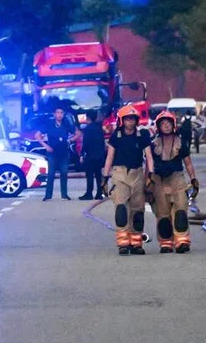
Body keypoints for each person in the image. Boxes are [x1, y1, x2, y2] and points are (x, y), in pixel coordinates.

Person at [102, 105, 154, 255]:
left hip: (137, 174)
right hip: (120, 174)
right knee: (121, 209)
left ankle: (136, 243)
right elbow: (110, 157)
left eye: (132, 119)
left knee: (138, 211)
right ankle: (123, 243)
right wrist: (105, 178)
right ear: (122, 121)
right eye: (127, 119)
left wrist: (150, 175)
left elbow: (149, 156)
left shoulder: (142, 136)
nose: (130, 122)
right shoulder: (116, 137)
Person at [149, 111, 198, 253]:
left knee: (181, 210)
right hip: (158, 179)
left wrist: (193, 179)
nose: (166, 126)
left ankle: (182, 241)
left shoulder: (180, 143)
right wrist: (148, 183)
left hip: (177, 178)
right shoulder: (153, 144)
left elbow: (188, 163)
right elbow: (149, 165)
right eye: (163, 123)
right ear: (158, 126)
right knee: (162, 214)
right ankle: (166, 242)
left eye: (169, 123)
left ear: (174, 125)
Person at [41, 107, 80, 201]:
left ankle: (64, 194)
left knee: (64, 173)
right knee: (51, 174)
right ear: (54, 114)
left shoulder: (67, 124)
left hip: (64, 152)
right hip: (52, 153)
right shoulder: (49, 124)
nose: (59, 115)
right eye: (57, 112)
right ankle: (48, 195)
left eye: (61, 113)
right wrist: (45, 146)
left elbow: (78, 133)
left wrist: (70, 140)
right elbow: (37, 135)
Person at [78, 109, 107, 201]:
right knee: (98, 175)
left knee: (90, 175)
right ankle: (99, 193)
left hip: (90, 155)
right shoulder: (99, 129)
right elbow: (103, 142)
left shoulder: (88, 129)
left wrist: (82, 153)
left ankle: (89, 193)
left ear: (88, 117)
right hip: (99, 155)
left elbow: (86, 143)